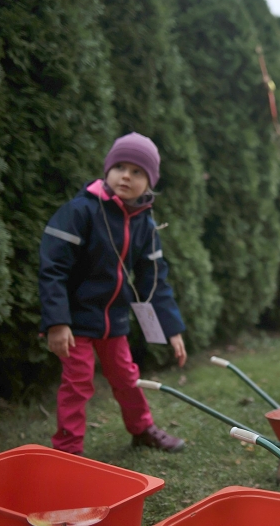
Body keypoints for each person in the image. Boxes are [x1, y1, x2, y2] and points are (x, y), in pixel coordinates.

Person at [38, 132, 188, 456]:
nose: (126, 176)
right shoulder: (80, 211)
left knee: (127, 378)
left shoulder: (145, 224)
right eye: (119, 167)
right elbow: (52, 269)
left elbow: (154, 281)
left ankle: (142, 429)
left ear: (149, 182)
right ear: (107, 170)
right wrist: (57, 322)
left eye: (137, 172)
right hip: (76, 321)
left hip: (113, 321)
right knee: (77, 383)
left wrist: (172, 329)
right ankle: (68, 451)